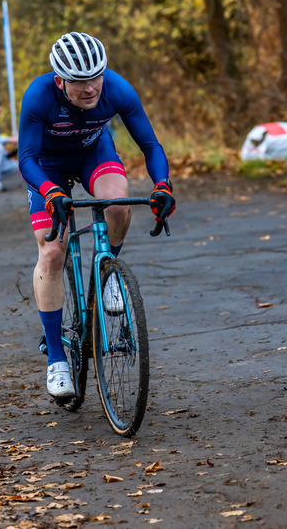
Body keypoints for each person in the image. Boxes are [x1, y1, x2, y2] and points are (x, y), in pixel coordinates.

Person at [18, 32, 175, 399]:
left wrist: (162, 185)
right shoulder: (39, 96)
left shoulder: (117, 89)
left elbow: (150, 145)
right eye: (79, 82)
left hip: (93, 153)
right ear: (60, 81)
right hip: (46, 166)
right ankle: (57, 358)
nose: (90, 89)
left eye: (96, 77)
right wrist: (50, 192)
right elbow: (25, 159)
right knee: (53, 251)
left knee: (118, 205)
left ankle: (108, 274)